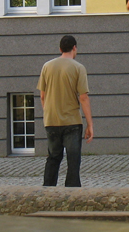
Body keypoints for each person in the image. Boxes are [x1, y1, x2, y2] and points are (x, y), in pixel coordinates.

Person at [37, 34, 93, 187]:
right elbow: (83, 98)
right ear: (74, 48)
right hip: (72, 121)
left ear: (60, 49)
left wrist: (48, 112)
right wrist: (90, 124)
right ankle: (71, 193)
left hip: (51, 121)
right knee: (73, 160)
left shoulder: (47, 66)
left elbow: (42, 96)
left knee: (53, 158)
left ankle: (47, 192)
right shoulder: (78, 68)